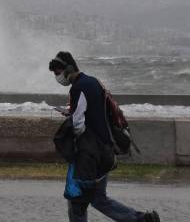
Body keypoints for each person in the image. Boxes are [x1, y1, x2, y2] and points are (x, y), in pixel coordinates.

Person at [49, 51, 160, 222]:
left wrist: (73, 127)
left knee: (77, 204)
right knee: (99, 199)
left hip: (90, 155)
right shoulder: (94, 81)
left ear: (69, 69)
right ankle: (143, 219)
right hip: (105, 151)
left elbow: (79, 123)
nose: (57, 77)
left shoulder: (78, 87)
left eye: (58, 72)